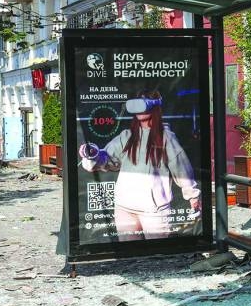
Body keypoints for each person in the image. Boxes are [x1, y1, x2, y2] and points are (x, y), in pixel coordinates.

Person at [80, 90, 201, 241]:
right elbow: (107, 159)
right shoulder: (127, 136)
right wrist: (93, 155)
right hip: (124, 207)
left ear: (154, 106)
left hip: (154, 211)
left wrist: (192, 196)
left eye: (143, 101)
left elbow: (180, 166)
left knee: (158, 255)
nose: (139, 107)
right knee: (129, 256)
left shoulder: (166, 137)